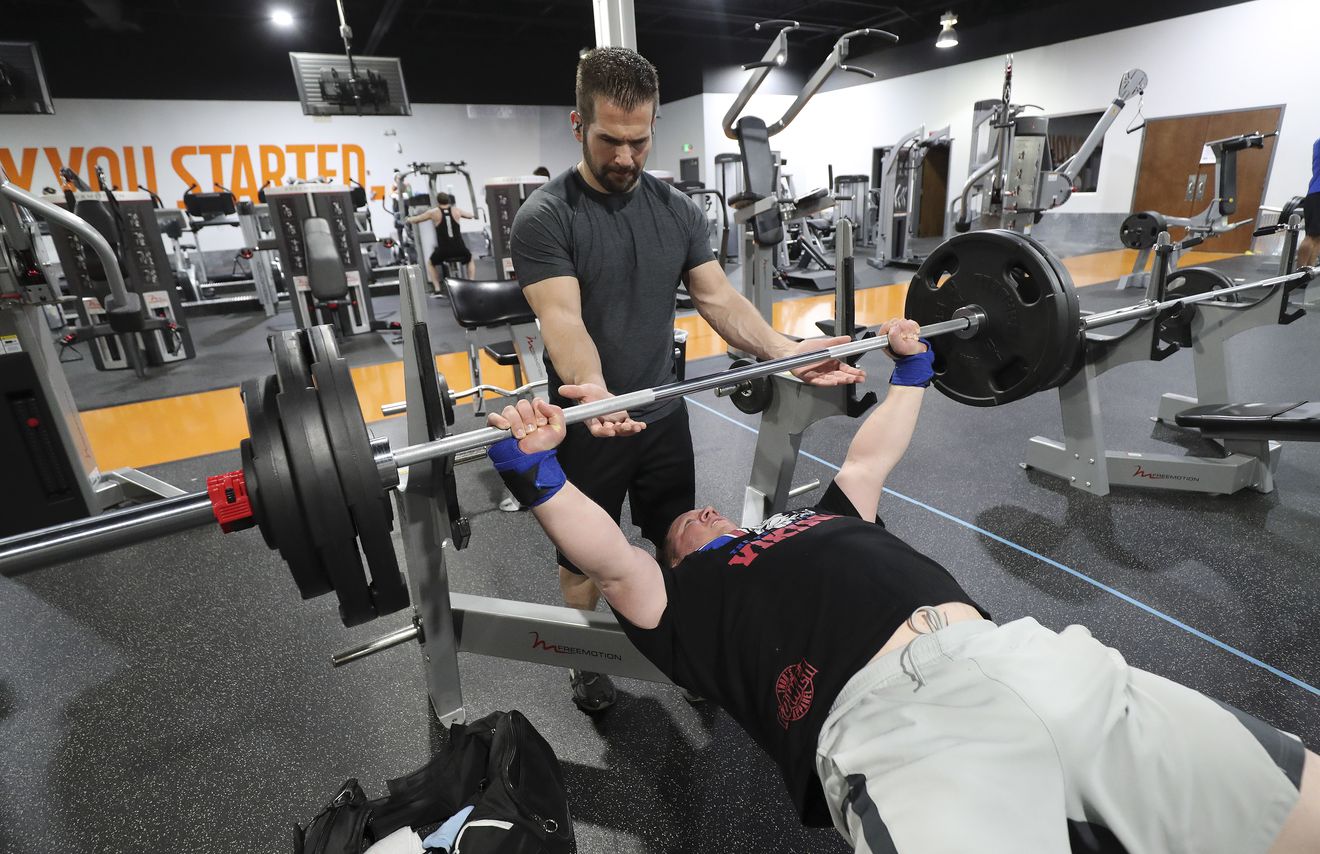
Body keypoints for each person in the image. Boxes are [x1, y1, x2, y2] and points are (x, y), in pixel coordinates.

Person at [483, 318, 1319, 854]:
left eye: (706, 509)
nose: (701, 511)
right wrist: (538, 473)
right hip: (899, 730)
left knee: (1292, 801)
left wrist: (914, 374)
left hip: (1031, 660)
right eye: (683, 526)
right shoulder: (681, 607)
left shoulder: (817, 519)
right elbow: (608, 556)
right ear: (673, 560)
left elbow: (869, 457)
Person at [508, 46, 864, 713]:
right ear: (576, 124)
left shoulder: (677, 210)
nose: (625, 158)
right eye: (610, 140)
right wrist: (595, 390)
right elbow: (562, 319)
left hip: (662, 414)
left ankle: (694, 645)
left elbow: (720, 300)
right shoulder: (546, 217)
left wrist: (786, 350)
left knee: (681, 539)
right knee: (585, 559)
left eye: (638, 141)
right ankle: (587, 661)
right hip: (591, 418)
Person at [406, 192, 477, 283]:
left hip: (444, 250)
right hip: (460, 248)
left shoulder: (433, 212)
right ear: (449, 200)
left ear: (437, 201)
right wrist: (474, 214)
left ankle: (437, 288)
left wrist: (407, 219)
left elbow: (416, 220)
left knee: (430, 264)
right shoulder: (457, 211)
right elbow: (470, 216)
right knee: (470, 258)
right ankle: (472, 282)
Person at [1297, 136, 1320, 269]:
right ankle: (1299, 273)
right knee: (1312, 236)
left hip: (1315, 194)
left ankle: (1309, 270)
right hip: (1318, 194)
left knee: (1318, 237)